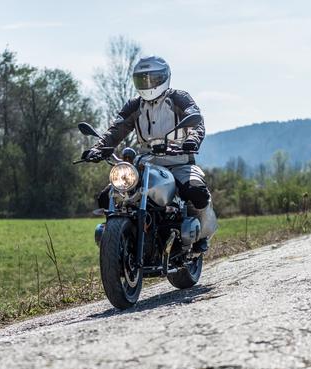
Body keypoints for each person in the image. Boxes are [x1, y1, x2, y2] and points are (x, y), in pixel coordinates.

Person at [82, 55, 217, 253]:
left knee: (195, 191)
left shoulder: (178, 98)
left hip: (178, 160)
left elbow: (195, 121)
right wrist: (99, 148)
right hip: (145, 163)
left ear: (164, 78)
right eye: (142, 79)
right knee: (107, 195)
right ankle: (120, 238)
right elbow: (116, 129)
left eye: (152, 79)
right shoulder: (134, 105)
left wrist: (192, 140)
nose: (147, 84)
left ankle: (202, 235)